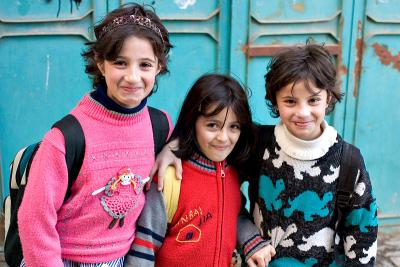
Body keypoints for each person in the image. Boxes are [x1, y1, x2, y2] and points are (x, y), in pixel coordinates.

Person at [151, 44, 378, 266]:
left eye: (313, 100)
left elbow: (362, 231)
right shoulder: (258, 144)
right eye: (290, 101)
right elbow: (214, 147)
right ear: (275, 101)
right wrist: (173, 146)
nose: (302, 112)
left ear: (328, 98)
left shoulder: (348, 161)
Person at [18, 3, 173, 267]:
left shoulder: (160, 125)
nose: (133, 77)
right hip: (62, 259)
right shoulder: (66, 137)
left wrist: (174, 147)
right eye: (120, 63)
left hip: (123, 259)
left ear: (159, 67)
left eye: (145, 64)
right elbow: (35, 219)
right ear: (101, 64)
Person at [124, 74, 276, 267]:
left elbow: (232, 215)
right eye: (212, 125)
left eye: (234, 127)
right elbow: (144, 247)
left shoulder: (233, 170)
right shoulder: (170, 176)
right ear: (193, 121)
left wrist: (252, 240)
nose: (223, 137)